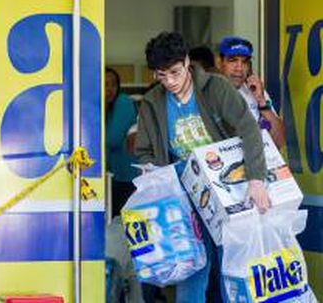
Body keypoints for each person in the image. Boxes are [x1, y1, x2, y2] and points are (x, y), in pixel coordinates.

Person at [134, 32, 270, 302]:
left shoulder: (215, 88)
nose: (170, 82)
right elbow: (144, 150)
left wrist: (256, 181)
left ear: (186, 62)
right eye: (162, 75)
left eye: (175, 72)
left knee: (235, 270)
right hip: (185, 198)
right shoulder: (152, 102)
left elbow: (249, 130)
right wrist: (154, 175)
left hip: (229, 192)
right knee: (192, 274)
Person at [219, 36, 286, 149]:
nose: (239, 68)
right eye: (233, 60)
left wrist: (262, 102)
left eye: (244, 62)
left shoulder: (254, 91)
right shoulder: (208, 92)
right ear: (220, 63)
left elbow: (279, 141)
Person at [105, 67, 139, 217]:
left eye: (113, 84)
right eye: (104, 84)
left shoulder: (123, 102)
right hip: (112, 178)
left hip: (127, 178)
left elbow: (113, 139)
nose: (110, 89)